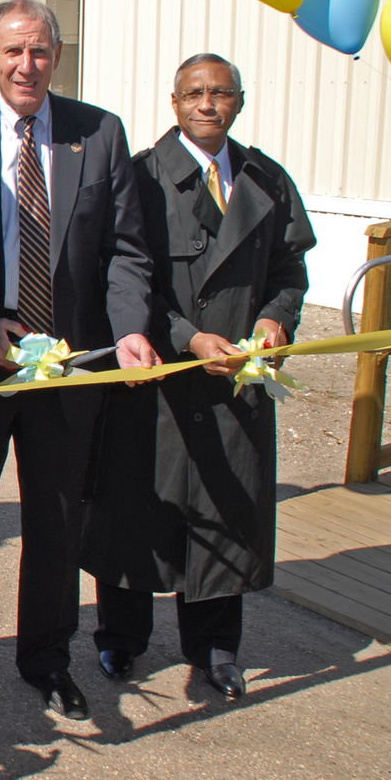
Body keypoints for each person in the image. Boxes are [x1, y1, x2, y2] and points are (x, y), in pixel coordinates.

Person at [0, 0, 157, 720]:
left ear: (56, 58)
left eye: (39, 53)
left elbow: (126, 251)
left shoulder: (99, 134)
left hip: (71, 368)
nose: (26, 65)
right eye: (13, 52)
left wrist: (128, 329)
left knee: (58, 522)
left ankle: (48, 658)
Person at [82, 54, 314, 700]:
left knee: (225, 514)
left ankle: (215, 649)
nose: (207, 105)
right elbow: (122, 277)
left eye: (220, 94)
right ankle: (120, 640)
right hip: (154, 379)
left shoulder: (267, 179)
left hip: (234, 387)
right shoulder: (140, 178)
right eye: (194, 93)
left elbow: (290, 274)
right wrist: (185, 337)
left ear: (238, 100)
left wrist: (275, 321)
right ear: (174, 100)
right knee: (133, 514)